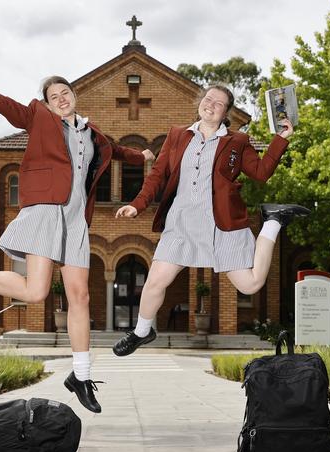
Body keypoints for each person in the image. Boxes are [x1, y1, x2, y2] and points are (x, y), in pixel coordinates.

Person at [0, 54, 155, 412]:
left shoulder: (92, 132)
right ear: (48, 103)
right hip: (45, 211)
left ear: (74, 95)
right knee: (36, 291)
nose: (61, 99)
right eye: (54, 96)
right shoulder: (37, 118)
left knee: (80, 297)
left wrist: (141, 156)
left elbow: (115, 151)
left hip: (76, 221)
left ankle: (81, 376)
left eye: (65, 92)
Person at [111, 85, 309, 356]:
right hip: (180, 225)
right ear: (200, 103)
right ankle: (142, 331)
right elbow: (157, 175)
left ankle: (273, 221)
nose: (211, 105)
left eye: (219, 103)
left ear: (225, 112)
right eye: (208, 99)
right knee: (155, 281)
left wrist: (281, 138)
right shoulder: (177, 135)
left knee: (250, 284)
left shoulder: (237, 141)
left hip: (221, 225)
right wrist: (137, 205)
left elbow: (261, 172)